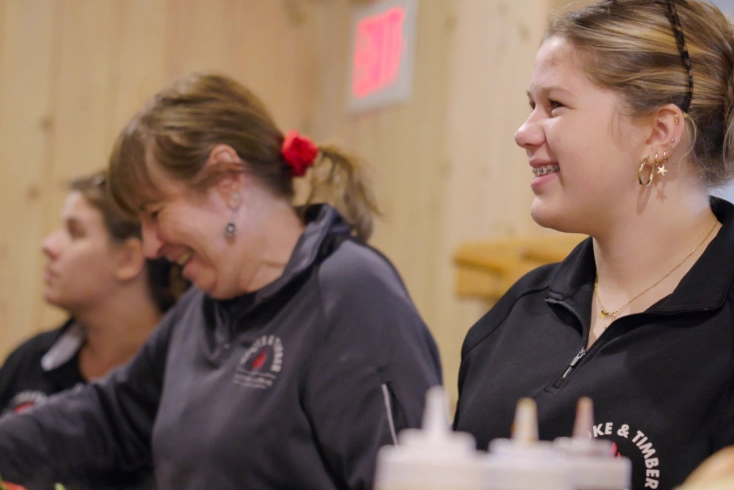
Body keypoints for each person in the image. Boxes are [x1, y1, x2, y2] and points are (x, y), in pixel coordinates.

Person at [453, 0, 734, 489]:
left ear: (659, 132)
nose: (524, 132)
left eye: (555, 105)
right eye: (531, 106)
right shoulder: (514, 317)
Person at [0, 73, 442, 490]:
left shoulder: (350, 294)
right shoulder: (201, 307)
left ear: (228, 181)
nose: (151, 246)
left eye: (155, 213)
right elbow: (111, 418)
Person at [0, 170, 184, 489]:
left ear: (128, 258)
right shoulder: (32, 359)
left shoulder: (188, 378)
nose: (48, 245)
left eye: (74, 233)